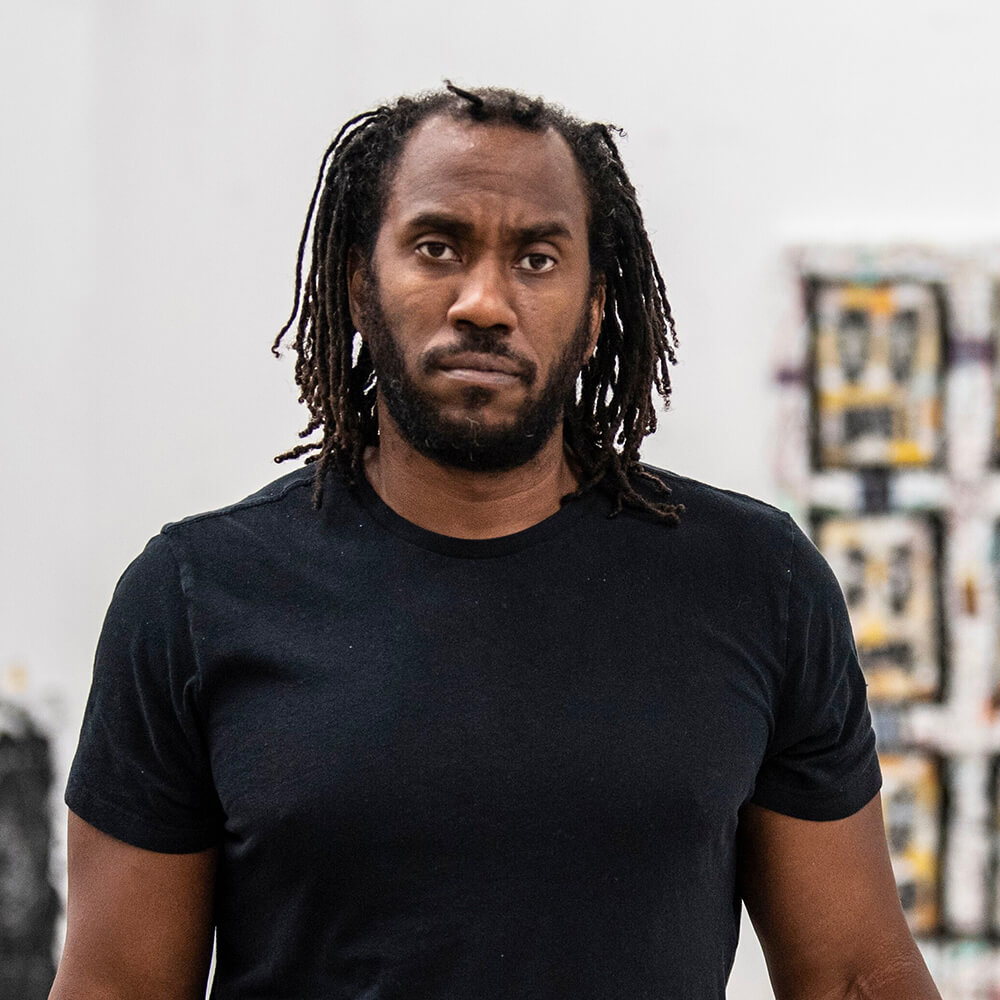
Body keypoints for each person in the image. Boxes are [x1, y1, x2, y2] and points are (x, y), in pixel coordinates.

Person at [50, 84, 940, 1000]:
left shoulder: (756, 582)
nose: (483, 302)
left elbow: (850, 974)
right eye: (437, 248)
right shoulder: (196, 595)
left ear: (593, 312)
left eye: (537, 259)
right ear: (359, 284)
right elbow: (116, 986)